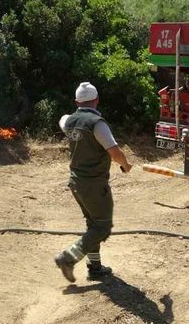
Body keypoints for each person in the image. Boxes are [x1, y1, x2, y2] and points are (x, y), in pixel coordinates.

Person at [54, 82, 133, 283]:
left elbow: (62, 119)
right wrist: (126, 164)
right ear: (97, 100)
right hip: (94, 185)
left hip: (76, 182)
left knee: (93, 224)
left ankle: (95, 268)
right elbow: (114, 152)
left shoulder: (69, 121)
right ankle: (67, 258)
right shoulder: (98, 124)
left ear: (77, 102)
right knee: (102, 227)